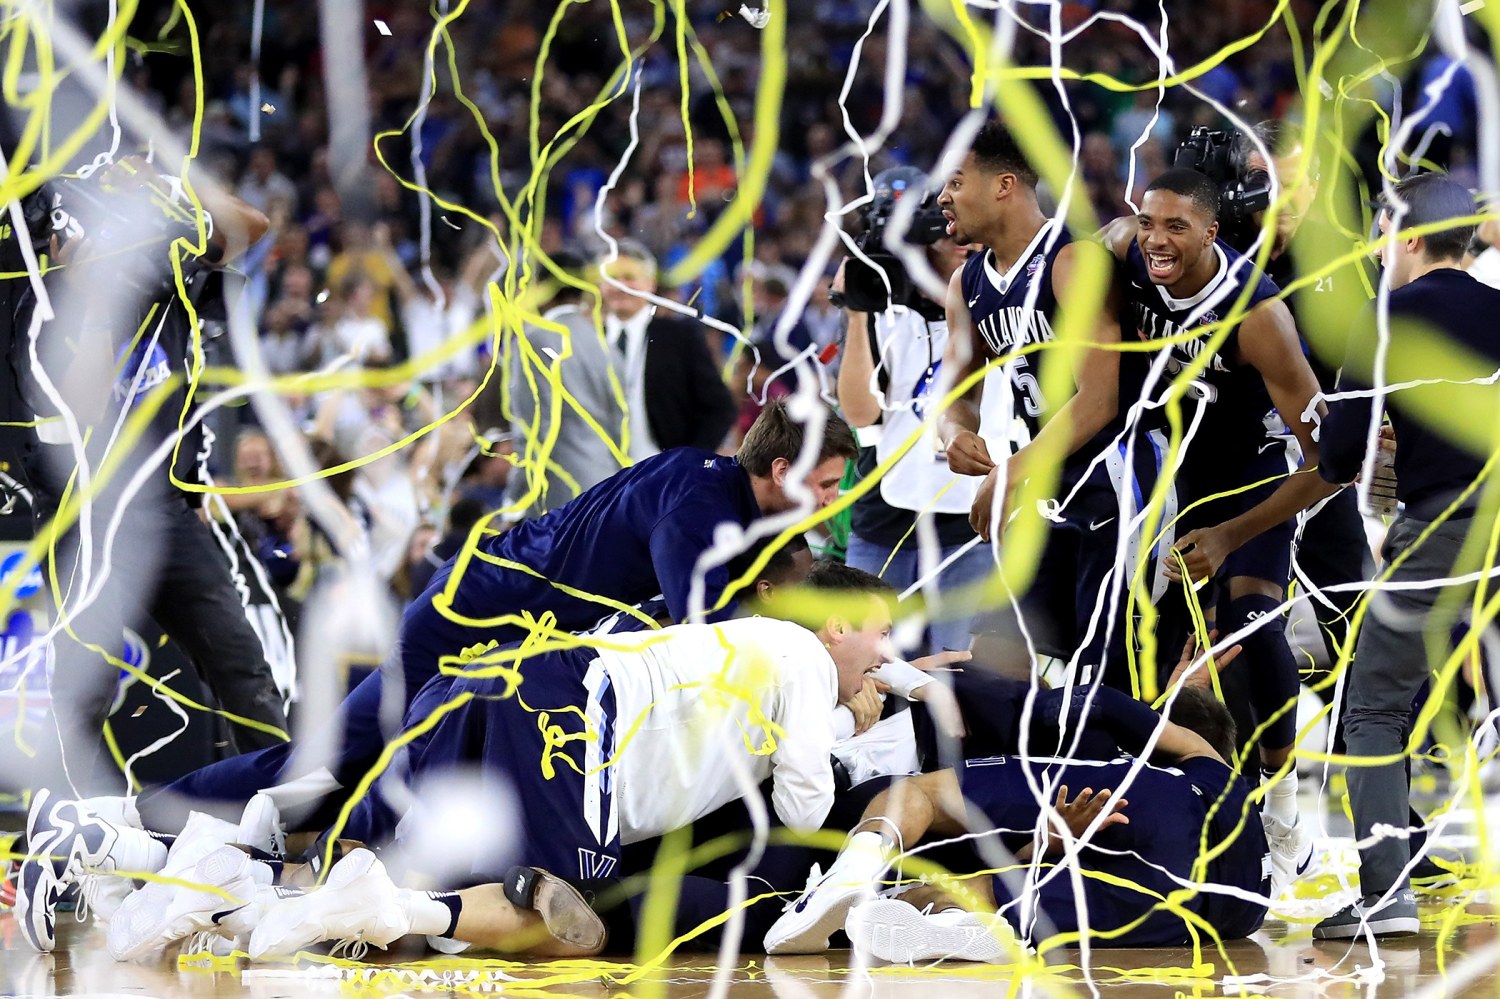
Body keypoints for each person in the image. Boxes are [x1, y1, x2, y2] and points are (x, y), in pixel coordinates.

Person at [74, 559, 896, 961]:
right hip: (570, 718)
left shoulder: (739, 639)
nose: (886, 652)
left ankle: (204, 876)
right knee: (564, 915)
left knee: (396, 871)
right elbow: (799, 808)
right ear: (835, 626)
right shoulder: (807, 661)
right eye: (879, 632)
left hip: (508, 678)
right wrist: (838, 720)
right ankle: (347, 902)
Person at [7, 156, 290, 808]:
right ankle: (62, 842)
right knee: (85, 691)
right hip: (87, 520)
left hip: (163, 513)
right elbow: (82, 400)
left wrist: (177, 169)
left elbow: (249, 224)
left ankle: (287, 820)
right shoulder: (43, 306)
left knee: (242, 666)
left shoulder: (169, 280)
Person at [1100, 167, 1338, 892]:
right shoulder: (1123, 252)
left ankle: (1285, 805)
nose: (1156, 239)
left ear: (1212, 231)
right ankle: (1152, 804)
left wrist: (1233, 534)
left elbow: (1328, 461)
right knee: (1139, 636)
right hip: (1172, 473)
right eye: (1148, 222)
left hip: (1260, 475)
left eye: (1176, 226)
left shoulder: (1257, 313)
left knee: (1250, 623)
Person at [763, 642, 1268, 958]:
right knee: (989, 899)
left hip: (1150, 808)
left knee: (923, 798)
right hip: (1214, 915)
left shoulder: (1162, 756)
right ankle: (932, 924)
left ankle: (851, 889)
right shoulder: (1230, 784)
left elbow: (1113, 708)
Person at [1312, 174, 1500, 939]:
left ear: (1409, 238)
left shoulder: (1385, 315)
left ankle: (1386, 897)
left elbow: (1338, 457)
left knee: (1374, 708)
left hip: (1450, 521)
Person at [934, 120, 1171, 688]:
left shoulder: (1071, 261)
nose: (942, 197)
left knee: (1106, 664)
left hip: (1117, 467)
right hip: (1046, 473)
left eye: (956, 182)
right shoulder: (966, 284)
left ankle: (1144, 773)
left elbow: (1098, 400)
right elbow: (954, 395)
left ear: (1004, 185)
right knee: (997, 656)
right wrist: (954, 434)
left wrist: (1007, 475)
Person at [837, 167, 989, 655]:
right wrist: (857, 310)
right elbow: (861, 414)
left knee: (960, 666)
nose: (963, 243)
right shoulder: (883, 306)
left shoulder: (997, 296)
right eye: (947, 233)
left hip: (971, 515)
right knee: (866, 660)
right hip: (886, 511)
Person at [504, 252, 629, 515]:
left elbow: (535, 427)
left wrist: (515, 500)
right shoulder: (605, 345)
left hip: (558, 492)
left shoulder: (533, 341)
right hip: (607, 487)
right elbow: (621, 423)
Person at [597, 240, 738, 460]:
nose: (620, 286)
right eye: (612, 278)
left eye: (629, 278)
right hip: (598, 477)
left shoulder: (680, 336)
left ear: (650, 283)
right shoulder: (587, 339)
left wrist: (689, 461)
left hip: (661, 475)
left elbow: (720, 407)